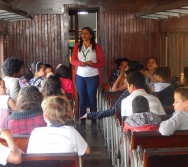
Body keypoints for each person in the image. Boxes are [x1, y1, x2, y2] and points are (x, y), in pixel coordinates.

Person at [71, 27, 105, 134]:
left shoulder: (97, 47)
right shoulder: (77, 46)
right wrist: (82, 63)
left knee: (91, 99)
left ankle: (94, 122)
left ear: (91, 35)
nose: (83, 35)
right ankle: (82, 122)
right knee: (82, 99)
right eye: (82, 33)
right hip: (80, 76)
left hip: (93, 76)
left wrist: (92, 64)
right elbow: (73, 60)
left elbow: (102, 62)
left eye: (86, 33)